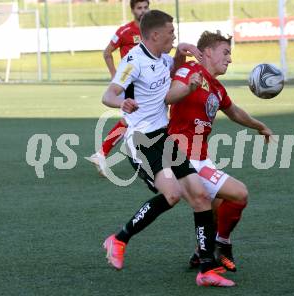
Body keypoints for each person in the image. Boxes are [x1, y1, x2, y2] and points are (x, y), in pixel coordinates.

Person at [101, 10, 235, 287]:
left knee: (200, 196)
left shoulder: (162, 57)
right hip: (141, 140)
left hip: (164, 137)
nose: (174, 36)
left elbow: (168, 70)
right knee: (172, 194)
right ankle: (119, 238)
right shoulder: (132, 61)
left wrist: (179, 54)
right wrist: (122, 104)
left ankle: (206, 269)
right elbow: (109, 94)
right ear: (155, 35)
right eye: (171, 33)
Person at [165, 31, 273, 272]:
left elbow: (235, 112)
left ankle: (199, 254)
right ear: (208, 52)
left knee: (219, 205)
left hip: (201, 159)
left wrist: (260, 126)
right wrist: (180, 54)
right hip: (182, 157)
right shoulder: (190, 71)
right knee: (239, 193)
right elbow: (172, 83)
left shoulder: (217, 87)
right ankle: (222, 244)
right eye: (225, 52)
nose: (230, 59)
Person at [89, 0, 149, 176]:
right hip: (132, 83)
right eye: (139, 8)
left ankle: (101, 154)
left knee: (134, 120)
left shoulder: (152, 29)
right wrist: (115, 75)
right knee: (135, 119)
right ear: (132, 10)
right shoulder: (124, 31)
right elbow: (107, 52)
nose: (143, 11)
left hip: (148, 83)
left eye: (146, 7)